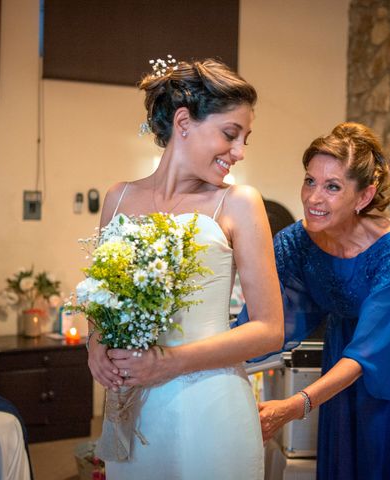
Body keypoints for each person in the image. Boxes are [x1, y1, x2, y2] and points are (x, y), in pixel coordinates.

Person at [86, 58, 283, 480]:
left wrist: (169, 363)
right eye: (231, 134)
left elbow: (269, 328)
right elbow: (101, 299)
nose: (240, 151)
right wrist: (94, 346)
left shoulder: (239, 202)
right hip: (135, 410)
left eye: (245, 138)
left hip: (210, 407)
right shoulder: (117, 199)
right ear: (183, 121)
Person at [238, 122, 390, 479]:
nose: (313, 198)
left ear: (364, 197)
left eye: (332, 187)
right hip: (345, 342)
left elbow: (368, 355)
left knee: (383, 451)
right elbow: (260, 321)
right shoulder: (295, 241)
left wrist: (295, 406)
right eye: (310, 180)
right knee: (347, 451)